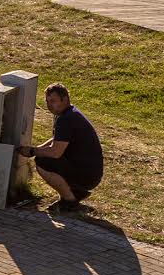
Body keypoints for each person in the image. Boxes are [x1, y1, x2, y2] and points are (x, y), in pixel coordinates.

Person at [16, 84, 103, 212]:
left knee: (43, 162)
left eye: (53, 101)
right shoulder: (67, 113)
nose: (50, 105)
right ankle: (75, 192)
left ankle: (70, 201)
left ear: (65, 99)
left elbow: (56, 152)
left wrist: (33, 151)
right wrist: (37, 149)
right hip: (89, 171)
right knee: (43, 156)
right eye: (47, 101)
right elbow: (57, 140)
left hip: (88, 174)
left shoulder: (66, 119)